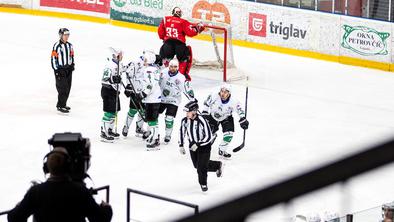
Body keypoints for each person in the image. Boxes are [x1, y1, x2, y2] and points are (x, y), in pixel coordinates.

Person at [7, 147, 112, 222]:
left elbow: (13, 218)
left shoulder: (36, 192)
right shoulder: (80, 191)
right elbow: (101, 219)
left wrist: (19, 206)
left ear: (47, 168)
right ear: (68, 166)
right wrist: (106, 208)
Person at [179, 100, 223, 192]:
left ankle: (203, 184)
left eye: (188, 112)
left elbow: (209, 136)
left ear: (194, 111)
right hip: (192, 146)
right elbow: (182, 132)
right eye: (186, 112)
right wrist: (181, 145)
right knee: (196, 165)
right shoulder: (185, 121)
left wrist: (198, 144)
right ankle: (217, 165)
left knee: (201, 167)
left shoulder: (202, 120)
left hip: (204, 146)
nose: (186, 114)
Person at [157, 6, 205, 81]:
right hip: (179, 44)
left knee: (165, 57)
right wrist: (198, 29)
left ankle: (165, 74)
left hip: (168, 43)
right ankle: (182, 75)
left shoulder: (165, 19)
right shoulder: (183, 21)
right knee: (185, 57)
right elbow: (190, 32)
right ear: (180, 14)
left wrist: (165, 38)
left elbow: (160, 33)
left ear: (173, 13)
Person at [202, 84, 249, 159]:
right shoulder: (214, 95)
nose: (222, 94)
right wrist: (204, 112)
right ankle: (212, 137)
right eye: (221, 91)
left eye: (225, 92)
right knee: (208, 134)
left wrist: (243, 119)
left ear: (229, 93)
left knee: (229, 135)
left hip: (226, 117)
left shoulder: (234, 101)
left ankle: (222, 150)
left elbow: (239, 110)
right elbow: (206, 104)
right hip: (213, 116)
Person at [159, 59, 195, 144]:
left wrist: (192, 99)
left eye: (175, 67)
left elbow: (186, 89)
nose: (172, 68)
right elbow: (156, 82)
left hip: (173, 100)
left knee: (169, 118)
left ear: (178, 67)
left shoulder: (181, 78)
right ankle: (153, 132)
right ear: (169, 66)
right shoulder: (163, 72)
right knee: (154, 116)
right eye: (171, 66)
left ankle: (168, 135)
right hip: (161, 99)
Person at [139, 51, 162, 150]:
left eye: (145, 59)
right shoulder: (154, 69)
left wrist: (144, 93)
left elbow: (150, 84)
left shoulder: (149, 70)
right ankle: (155, 137)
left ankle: (155, 140)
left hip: (151, 98)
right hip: (154, 98)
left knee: (152, 120)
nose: (143, 61)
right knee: (153, 120)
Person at [100, 47, 123, 142]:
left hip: (115, 91)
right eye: (120, 54)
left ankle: (109, 130)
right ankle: (104, 133)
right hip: (108, 91)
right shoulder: (109, 65)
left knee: (115, 111)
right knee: (109, 112)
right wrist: (113, 79)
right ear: (115, 55)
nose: (122, 56)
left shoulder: (119, 65)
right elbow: (104, 79)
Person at [122, 55, 146, 138]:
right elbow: (129, 72)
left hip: (144, 92)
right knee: (132, 110)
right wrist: (129, 86)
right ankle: (126, 127)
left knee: (143, 111)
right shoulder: (137, 62)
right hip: (135, 91)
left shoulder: (149, 64)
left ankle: (139, 128)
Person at [51, 28, 75, 113]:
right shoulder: (56, 45)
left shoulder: (70, 45)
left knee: (68, 87)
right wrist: (56, 71)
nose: (66, 37)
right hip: (60, 70)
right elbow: (53, 58)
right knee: (62, 88)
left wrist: (72, 65)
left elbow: (72, 55)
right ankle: (60, 105)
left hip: (68, 69)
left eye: (68, 35)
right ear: (61, 35)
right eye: (65, 35)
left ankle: (63, 104)